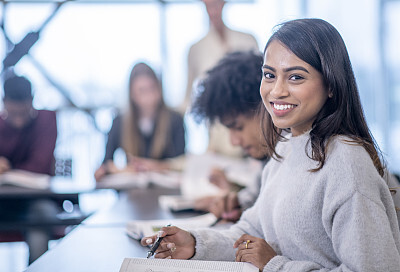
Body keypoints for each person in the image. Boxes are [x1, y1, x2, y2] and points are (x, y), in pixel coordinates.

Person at [141, 19, 400, 271]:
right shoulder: (287, 147)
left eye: (296, 77)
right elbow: (251, 231)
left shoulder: (346, 163)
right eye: (269, 75)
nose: (276, 91)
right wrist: (195, 244)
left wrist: (275, 265)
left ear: (331, 84)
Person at [190, 51, 269, 222]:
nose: (234, 142)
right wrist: (238, 204)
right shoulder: (268, 162)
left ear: (266, 106)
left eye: (238, 127)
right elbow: (256, 197)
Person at [181, 0, 259, 158]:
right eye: (208, 5)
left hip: (251, 124)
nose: (213, 10)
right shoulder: (196, 49)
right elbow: (187, 98)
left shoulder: (248, 40)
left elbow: (261, 85)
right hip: (217, 135)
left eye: (216, 4)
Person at [0, 75, 58, 264]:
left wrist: (8, 169)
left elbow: (40, 166)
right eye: (13, 113)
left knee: (41, 218)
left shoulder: (47, 120)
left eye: (22, 114)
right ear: (4, 103)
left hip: (35, 201)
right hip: (3, 202)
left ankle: (37, 268)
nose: (18, 121)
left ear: (31, 102)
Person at [95, 62, 185, 181]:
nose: (149, 96)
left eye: (152, 88)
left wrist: (155, 167)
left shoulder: (175, 119)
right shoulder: (119, 122)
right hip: (130, 191)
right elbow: (107, 162)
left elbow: (180, 162)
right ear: (132, 94)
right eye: (142, 91)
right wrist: (105, 170)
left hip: (165, 190)